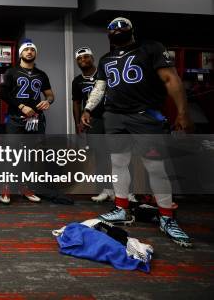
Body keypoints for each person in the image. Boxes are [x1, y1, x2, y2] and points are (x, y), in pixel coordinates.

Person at [81, 17, 193, 247]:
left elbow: (171, 79)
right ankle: (122, 209)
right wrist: (88, 108)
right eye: (112, 27)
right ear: (108, 35)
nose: (117, 29)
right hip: (114, 116)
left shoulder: (151, 48)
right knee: (118, 163)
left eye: (122, 26)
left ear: (132, 30)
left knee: (155, 166)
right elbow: (100, 87)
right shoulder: (105, 58)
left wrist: (183, 112)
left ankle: (166, 217)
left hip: (144, 115)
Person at [0, 39, 55, 203]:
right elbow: (3, 94)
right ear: (21, 53)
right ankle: (7, 187)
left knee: (30, 156)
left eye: (32, 49)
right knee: (12, 155)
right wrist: (22, 106)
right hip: (16, 119)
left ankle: (24, 186)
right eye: (26, 49)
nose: (29, 52)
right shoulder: (11, 72)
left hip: (35, 120)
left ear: (35, 53)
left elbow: (50, 95)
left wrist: (48, 101)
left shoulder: (42, 74)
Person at [71, 46, 116, 203]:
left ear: (92, 58)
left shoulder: (105, 74)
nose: (83, 60)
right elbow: (76, 103)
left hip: (112, 117)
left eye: (86, 57)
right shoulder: (77, 81)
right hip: (93, 120)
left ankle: (126, 192)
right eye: (80, 58)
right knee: (100, 156)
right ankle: (106, 189)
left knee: (120, 154)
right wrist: (77, 123)